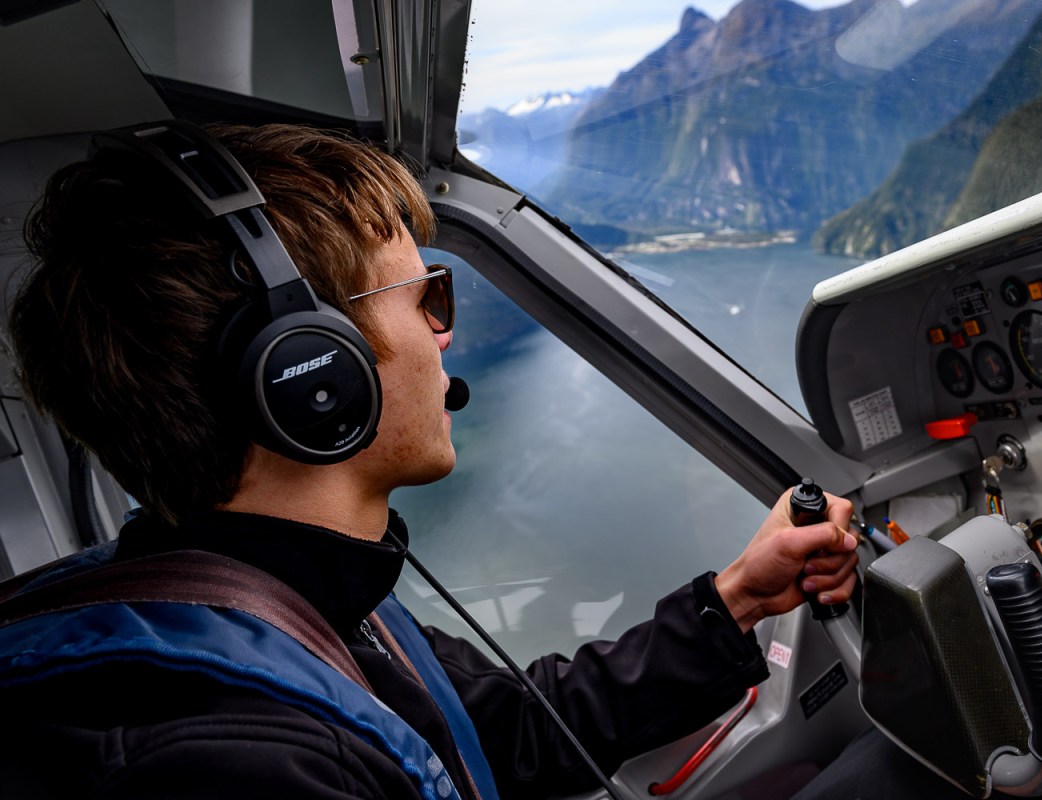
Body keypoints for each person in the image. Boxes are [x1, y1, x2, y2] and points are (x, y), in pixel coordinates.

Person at [0, 121, 861, 799]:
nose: (446, 334)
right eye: (427, 298)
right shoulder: (245, 762)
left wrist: (739, 598)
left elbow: (508, 734)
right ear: (309, 374)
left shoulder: (300, 604)